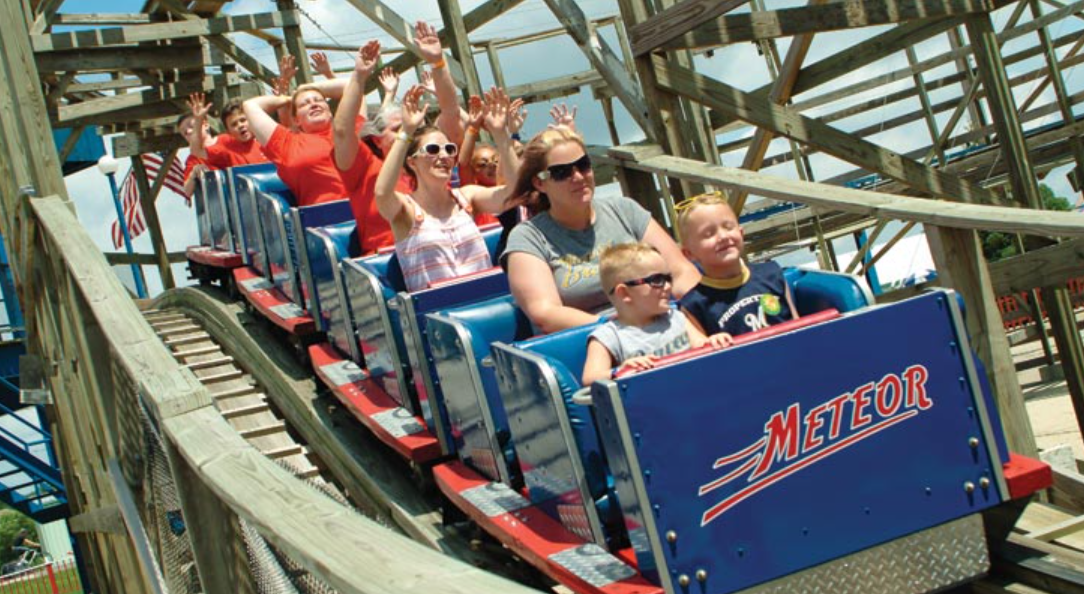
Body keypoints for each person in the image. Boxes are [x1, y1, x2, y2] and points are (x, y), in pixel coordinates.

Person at [501, 127, 699, 334]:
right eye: (562, 172)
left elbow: (680, 271)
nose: (578, 177)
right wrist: (618, 330)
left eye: (583, 165)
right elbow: (546, 312)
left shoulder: (624, 210)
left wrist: (697, 308)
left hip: (662, 324)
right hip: (593, 339)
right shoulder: (528, 237)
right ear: (540, 183)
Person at [373, 85, 519, 291]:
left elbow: (513, 193)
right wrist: (406, 132)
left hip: (487, 298)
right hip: (439, 313)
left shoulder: (466, 197)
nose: (444, 156)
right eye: (433, 149)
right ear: (412, 162)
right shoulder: (406, 209)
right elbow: (381, 193)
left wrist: (502, 135)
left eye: (449, 149)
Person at [243, 46, 376, 207]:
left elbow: (350, 85)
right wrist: (289, 98)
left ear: (330, 112)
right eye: (305, 104)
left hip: (366, 207)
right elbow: (250, 105)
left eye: (319, 100)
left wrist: (304, 90)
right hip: (324, 222)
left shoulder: (351, 128)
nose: (313, 104)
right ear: (296, 120)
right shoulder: (287, 142)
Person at [582, 243, 727, 385]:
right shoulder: (609, 336)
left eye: (668, 278)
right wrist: (620, 371)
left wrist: (714, 342)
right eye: (657, 280)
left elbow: (701, 345)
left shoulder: (675, 316)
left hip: (692, 388)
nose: (668, 286)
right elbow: (590, 378)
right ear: (624, 293)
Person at [333, 40, 416, 254]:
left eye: (412, 128)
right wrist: (359, 77)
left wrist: (437, 64)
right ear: (377, 139)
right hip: (391, 263)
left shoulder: (428, 160)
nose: (408, 134)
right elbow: (343, 130)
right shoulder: (365, 167)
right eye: (398, 129)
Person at [678, 192, 798, 339]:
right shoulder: (693, 305)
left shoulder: (771, 274)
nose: (723, 237)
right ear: (689, 253)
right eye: (709, 234)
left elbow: (799, 327)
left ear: (741, 233)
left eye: (728, 227)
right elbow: (701, 351)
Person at [187, 94, 268, 168]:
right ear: (229, 131)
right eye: (234, 124)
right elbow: (196, 151)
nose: (240, 125)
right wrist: (198, 119)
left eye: (243, 120)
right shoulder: (227, 150)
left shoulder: (267, 139)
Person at [176, 113, 212, 199]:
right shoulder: (193, 159)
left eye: (191, 126)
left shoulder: (225, 142)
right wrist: (193, 173)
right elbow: (187, 192)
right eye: (185, 133)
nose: (188, 131)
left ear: (206, 125)